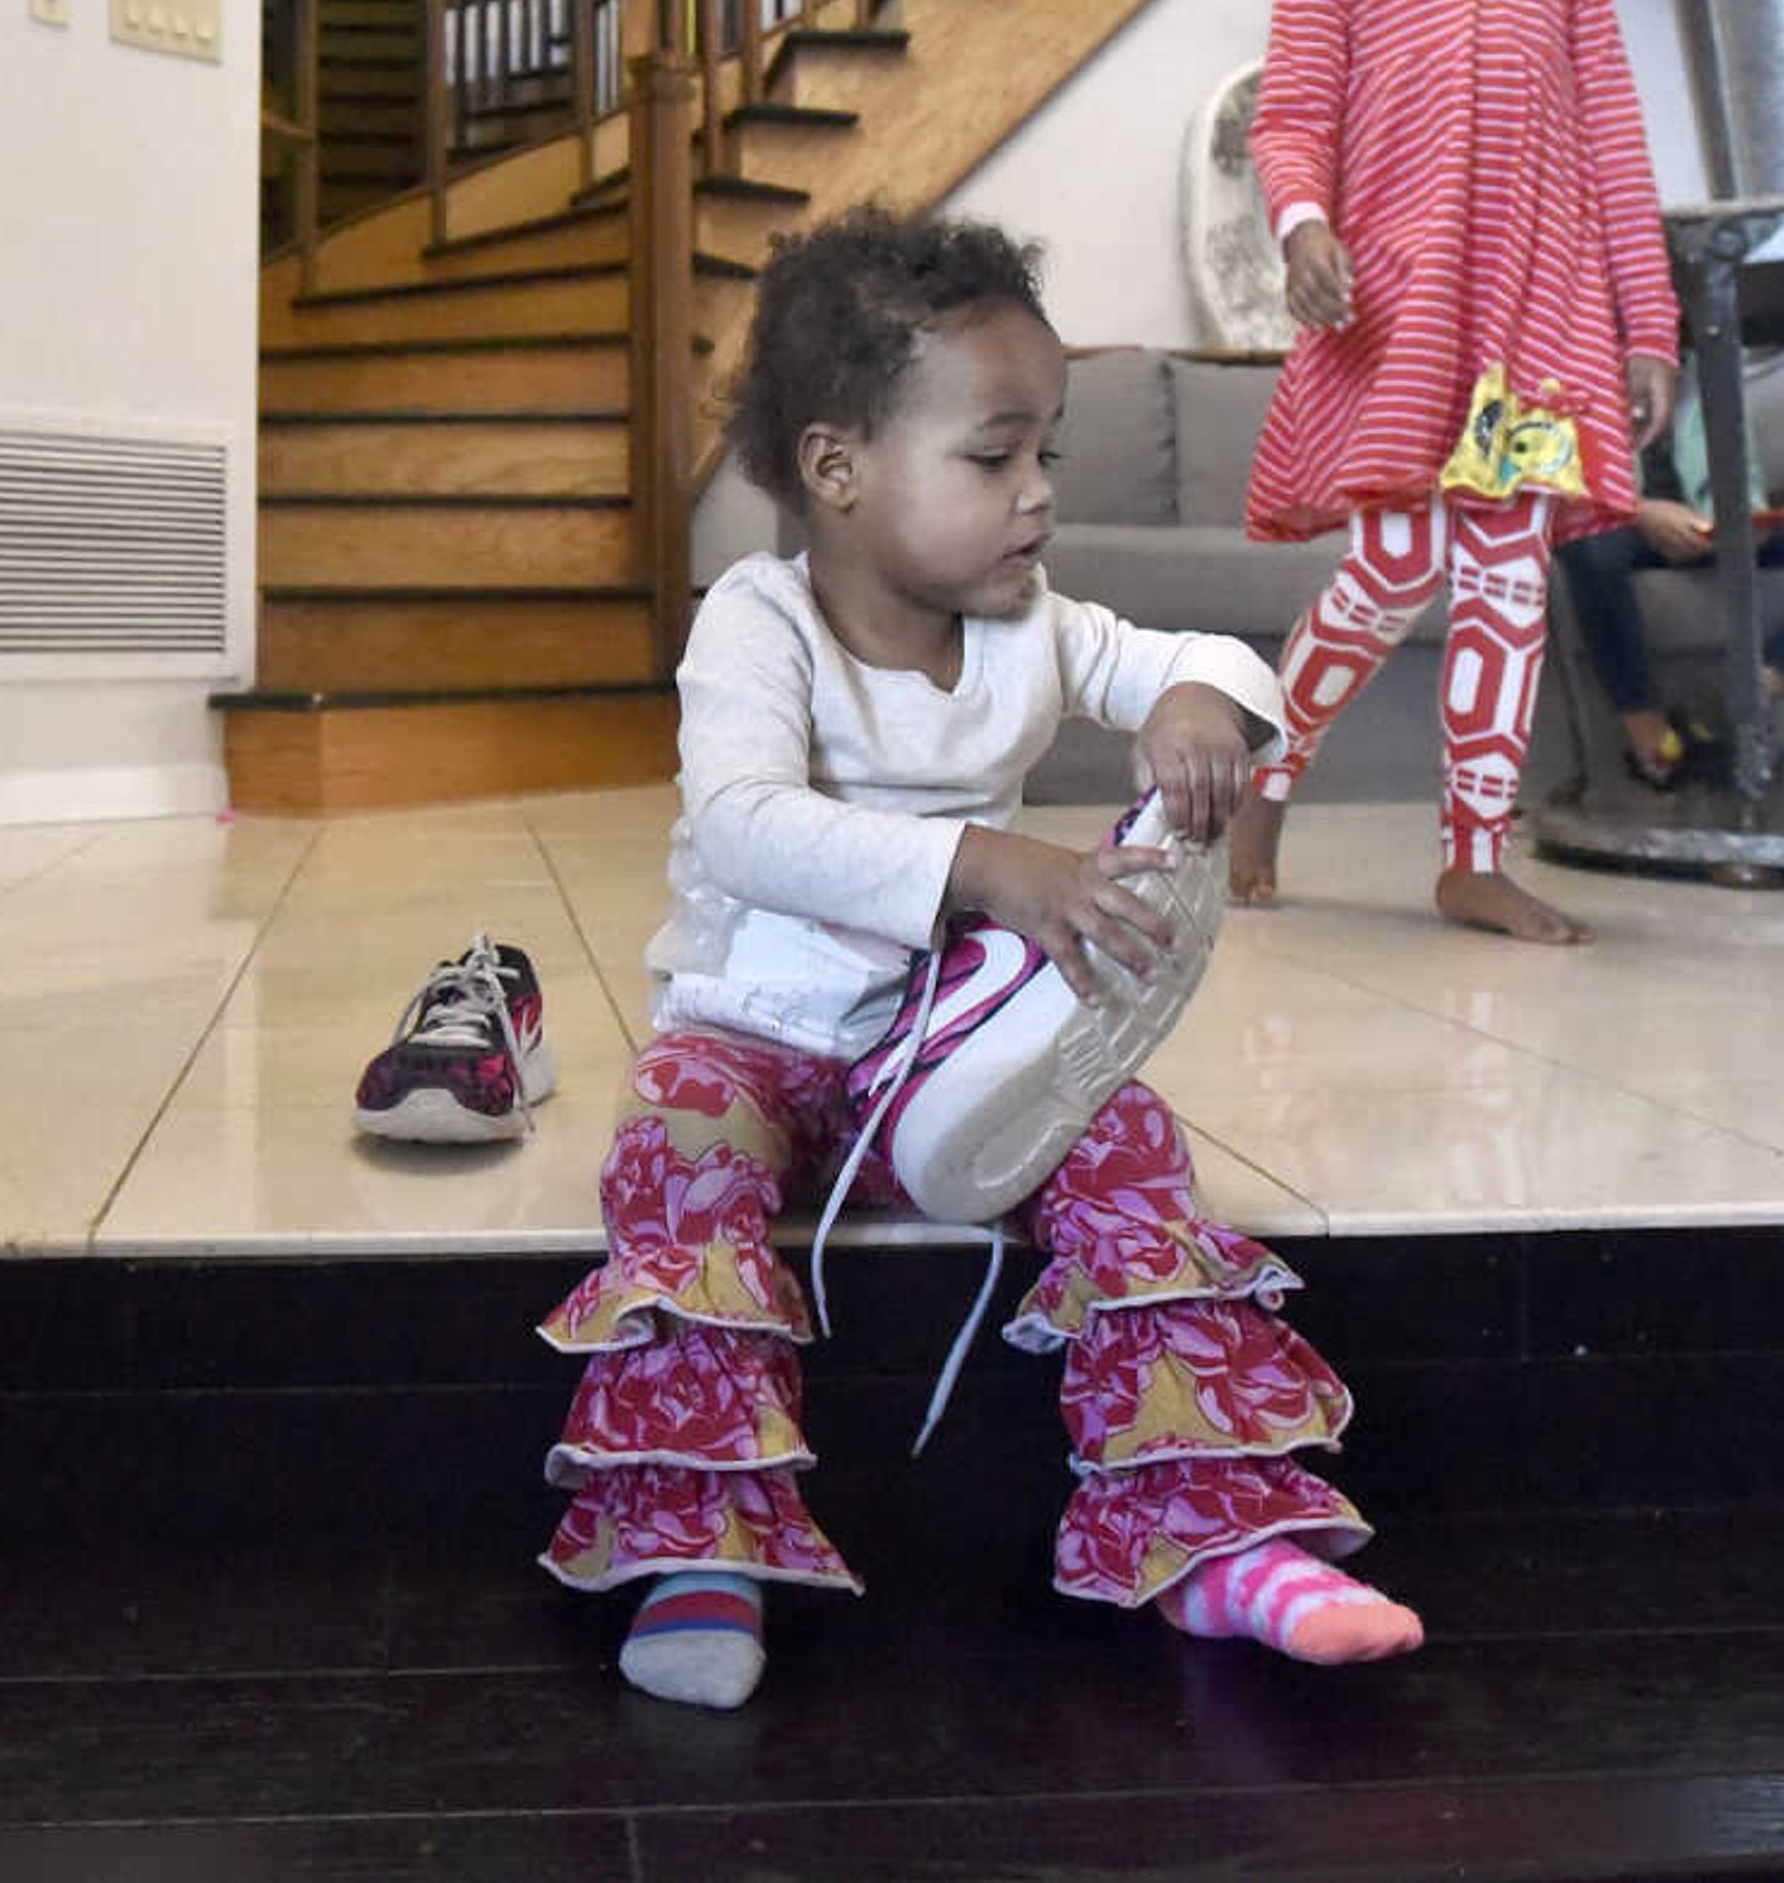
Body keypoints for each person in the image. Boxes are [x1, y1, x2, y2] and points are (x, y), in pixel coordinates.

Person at [537, 209, 1420, 1713]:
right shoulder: (756, 626)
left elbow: (1214, 654)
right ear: (838, 471)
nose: (1037, 499)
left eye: (1048, 458)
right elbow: (746, 826)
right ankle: (698, 1542)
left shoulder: (1036, 623)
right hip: (761, 1037)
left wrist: (1204, 706)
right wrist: (988, 864)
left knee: (1131, 1140)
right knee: (678, 1142)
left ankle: (1212, 1538)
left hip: (949, 1053)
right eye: (994, 458)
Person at [1213, 0, 1681, 945]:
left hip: (1535, 326)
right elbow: (1292, 113)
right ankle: (1269, 773)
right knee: (1393, 566)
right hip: (1399, 319)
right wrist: (1306, 228)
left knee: (1508, 570)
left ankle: (1472, 853)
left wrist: (1646, 325)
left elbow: (1614, 152)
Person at [1554, 375, 1784, 789]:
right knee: (1589, 544)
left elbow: (1741, 472)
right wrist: (1639, 512)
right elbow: (1546, 482)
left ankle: (1750, 690)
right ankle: (1654, 746)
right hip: (1621, 526)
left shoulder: (1708, 375)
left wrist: (1749, 521)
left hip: (1715, 530)